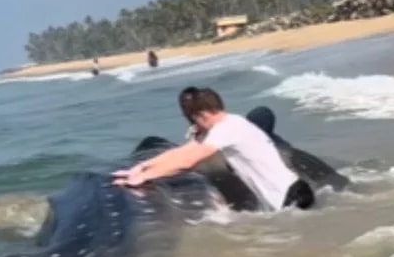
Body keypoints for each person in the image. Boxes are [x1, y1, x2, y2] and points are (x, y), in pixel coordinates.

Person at [113, 87, 315, 211]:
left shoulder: (226, 129)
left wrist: (145, 178)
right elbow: (183, 152)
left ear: (202, 115)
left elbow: (188, 162)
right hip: (292, 193)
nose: (195, 128)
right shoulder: (231, 123)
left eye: (195, 122)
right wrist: (140, 168)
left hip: (291, 197)